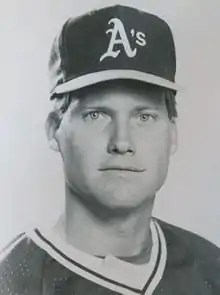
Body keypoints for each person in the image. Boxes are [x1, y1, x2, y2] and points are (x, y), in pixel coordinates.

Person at [0, 4, 220, 295]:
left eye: (145, 117)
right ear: (54, 130)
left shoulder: (211, 268)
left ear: (173, 133)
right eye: (96, 115)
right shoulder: (12, 281)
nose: (122, 142)